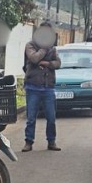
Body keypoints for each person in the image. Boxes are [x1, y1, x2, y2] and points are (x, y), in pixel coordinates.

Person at [22, 22, 61, 151]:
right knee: (31, 118)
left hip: (48, 86)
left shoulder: (53, 48)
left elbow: (58, 63)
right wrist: (44, 49)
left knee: (51, 117)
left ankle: (51, 141)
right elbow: (33, 58)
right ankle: (28, 142)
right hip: (33, 86)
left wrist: (48, 64)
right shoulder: (31, 45)